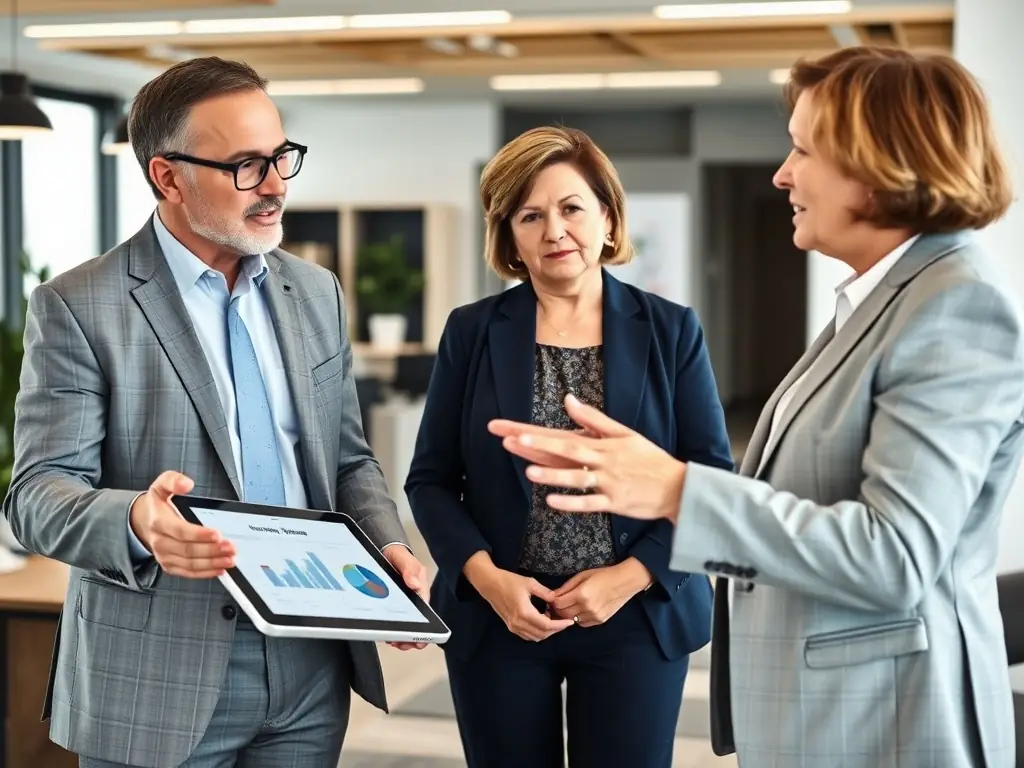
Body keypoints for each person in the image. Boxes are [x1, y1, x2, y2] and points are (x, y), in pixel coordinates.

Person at [489, 46, 1022, 768]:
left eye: (804, 149)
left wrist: (676, 491)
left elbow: (895, 556)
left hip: (883, 720)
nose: (782, 174)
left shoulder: (954, 308)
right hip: (834, 711)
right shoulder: (883, 302)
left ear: (879, 164)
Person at [2, 56, 429, 768]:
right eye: (246, 166)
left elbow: (346, 458)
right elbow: (37, 496)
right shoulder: (78, 306)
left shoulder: (315, 291)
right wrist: (138, 520)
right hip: (155, 676)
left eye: (282, 157)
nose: (275, 186)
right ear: (168, 177)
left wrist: (388, 548)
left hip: (310, 663)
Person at [405, 125, 734, 768]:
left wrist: (629, 578)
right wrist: (488, 580)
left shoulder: (670, 330)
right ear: (510, 237)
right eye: (530, 216)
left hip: (636, 609)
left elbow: (709, 478)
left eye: (572, 208)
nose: (554, 231)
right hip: (501, 612)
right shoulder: (472, 331)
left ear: (607, 219)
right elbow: (431, 480)